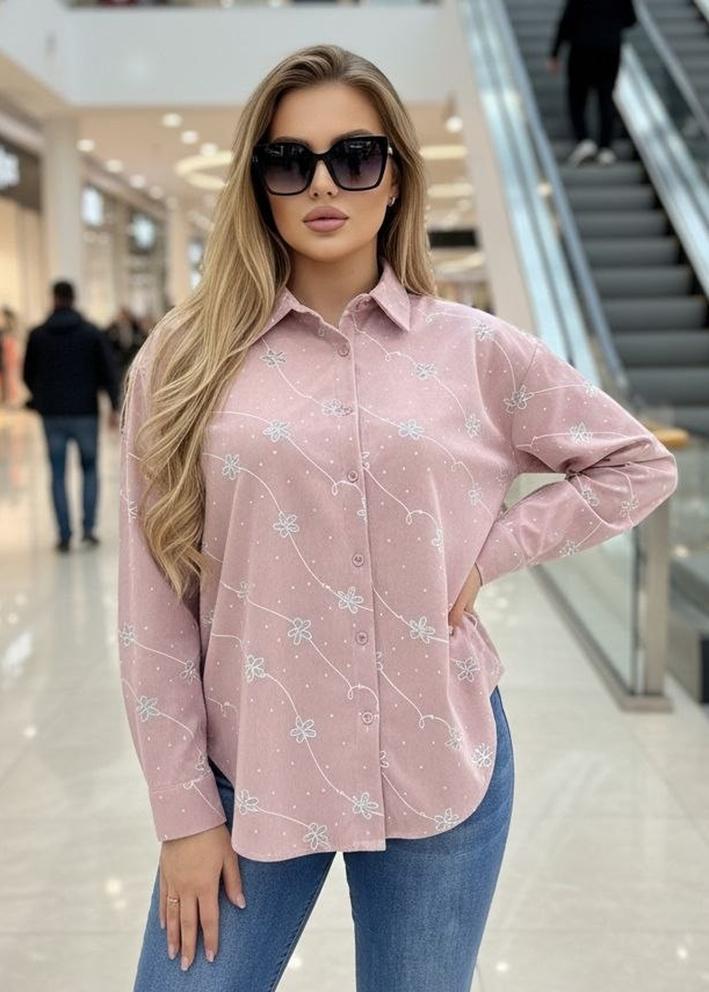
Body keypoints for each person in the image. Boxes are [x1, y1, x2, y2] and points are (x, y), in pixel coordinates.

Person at [118, 43, 678, 990]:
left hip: (438, 757)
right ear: (257, 184)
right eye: (289, 161)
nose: (322, 183)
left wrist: (490, 552)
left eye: (355, 156)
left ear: (395, 178)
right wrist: (182, 814)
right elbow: (151, 603)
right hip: (251, 765)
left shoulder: (475, 352)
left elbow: (635, 465)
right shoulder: (182, 358)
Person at [22, 279, 121, 552]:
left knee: (57, 473)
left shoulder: (37, 335)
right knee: (89, 469)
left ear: (53, 298)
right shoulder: (91, 333)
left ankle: (64, 534)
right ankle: (88, 529)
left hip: (52, 415)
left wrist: (41, 396)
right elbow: (108, 371)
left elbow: (27, 374)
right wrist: (114, 406)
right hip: (85, 412)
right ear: (74, 298)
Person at [547, 0, 637, 166]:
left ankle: (584, 141)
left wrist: (555, 53)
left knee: (577, 96)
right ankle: (605, 148)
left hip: (582, 47)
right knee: (606, 97)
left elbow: (567, 20)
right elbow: (631, 19)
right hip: (610, 48)